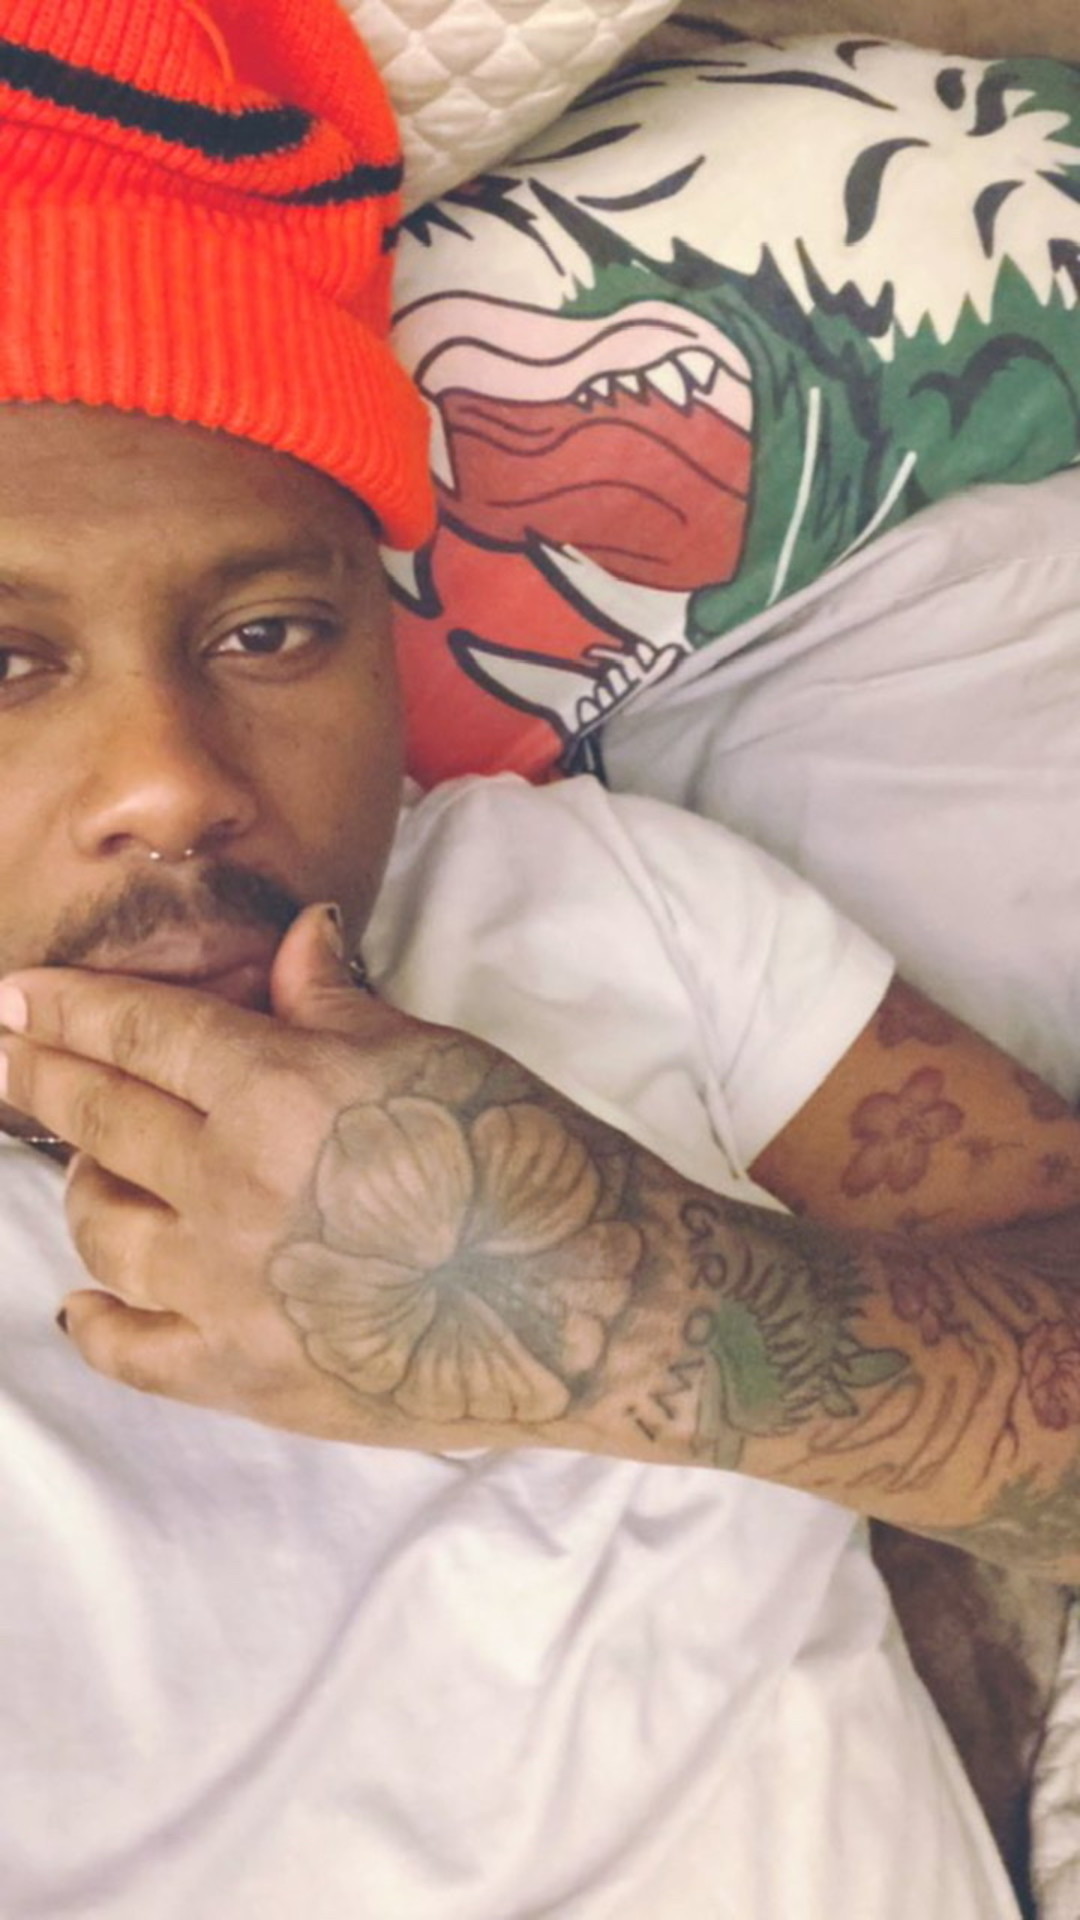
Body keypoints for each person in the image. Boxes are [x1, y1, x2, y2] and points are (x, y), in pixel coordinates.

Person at [0, 2, 1074, 1914]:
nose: (173, 783)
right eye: (6, 664)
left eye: (270, 634)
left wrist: (644, 1317)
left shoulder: (603, 909)